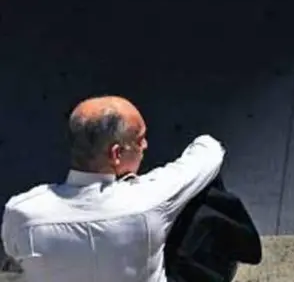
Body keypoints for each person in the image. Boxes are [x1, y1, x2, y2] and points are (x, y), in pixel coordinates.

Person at [1, 96, 225, 282]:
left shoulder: (21, 211)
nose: (145, 146)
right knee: (204, 192)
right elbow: (210, 152)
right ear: (116, 154)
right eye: (140, 139)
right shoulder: (147, 198)